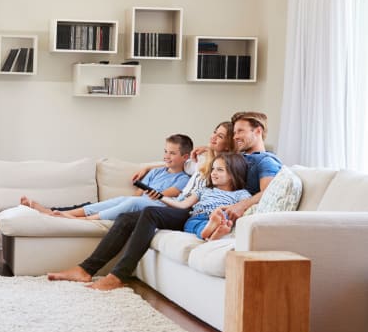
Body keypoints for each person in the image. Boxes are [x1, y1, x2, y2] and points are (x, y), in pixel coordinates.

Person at [47, 120, 239, 290]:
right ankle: (85, 269)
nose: (213, 137)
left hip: (189, 210)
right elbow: (173, 164)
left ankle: (118, 276)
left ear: (229, 143)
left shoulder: (229, 166)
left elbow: (230, 188)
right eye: (214, 132)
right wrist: (147, 167)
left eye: (220, 136)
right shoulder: (202, 161)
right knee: (124, 218)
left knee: (148, 212)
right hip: (178, 204)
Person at [20, 134, 193, 220]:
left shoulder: (184, 178)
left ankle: (85, 220)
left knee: (132, 202)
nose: (167, 156)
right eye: (165, 152)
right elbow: (138, 194)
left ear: (185, 157)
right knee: (125, 199)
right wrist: (131, 198)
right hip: (142, 202)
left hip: (157, 207)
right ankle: (58, 214)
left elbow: (164, 195)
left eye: (172, 153)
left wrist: (137, 199)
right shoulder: (156, 172)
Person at [146, 153, 251, 240]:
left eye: (220, 170)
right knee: (190, 224)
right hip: (197, 217)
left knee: (224, 215)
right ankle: (211, 232)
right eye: (213, 169)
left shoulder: (241, 193)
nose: (213, 173)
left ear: (234, 174)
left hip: (219, 215)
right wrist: (161, 197)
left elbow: (245, 206)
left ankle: (214, 228)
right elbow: (182, 205)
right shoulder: (204, 190)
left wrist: (221, 212)